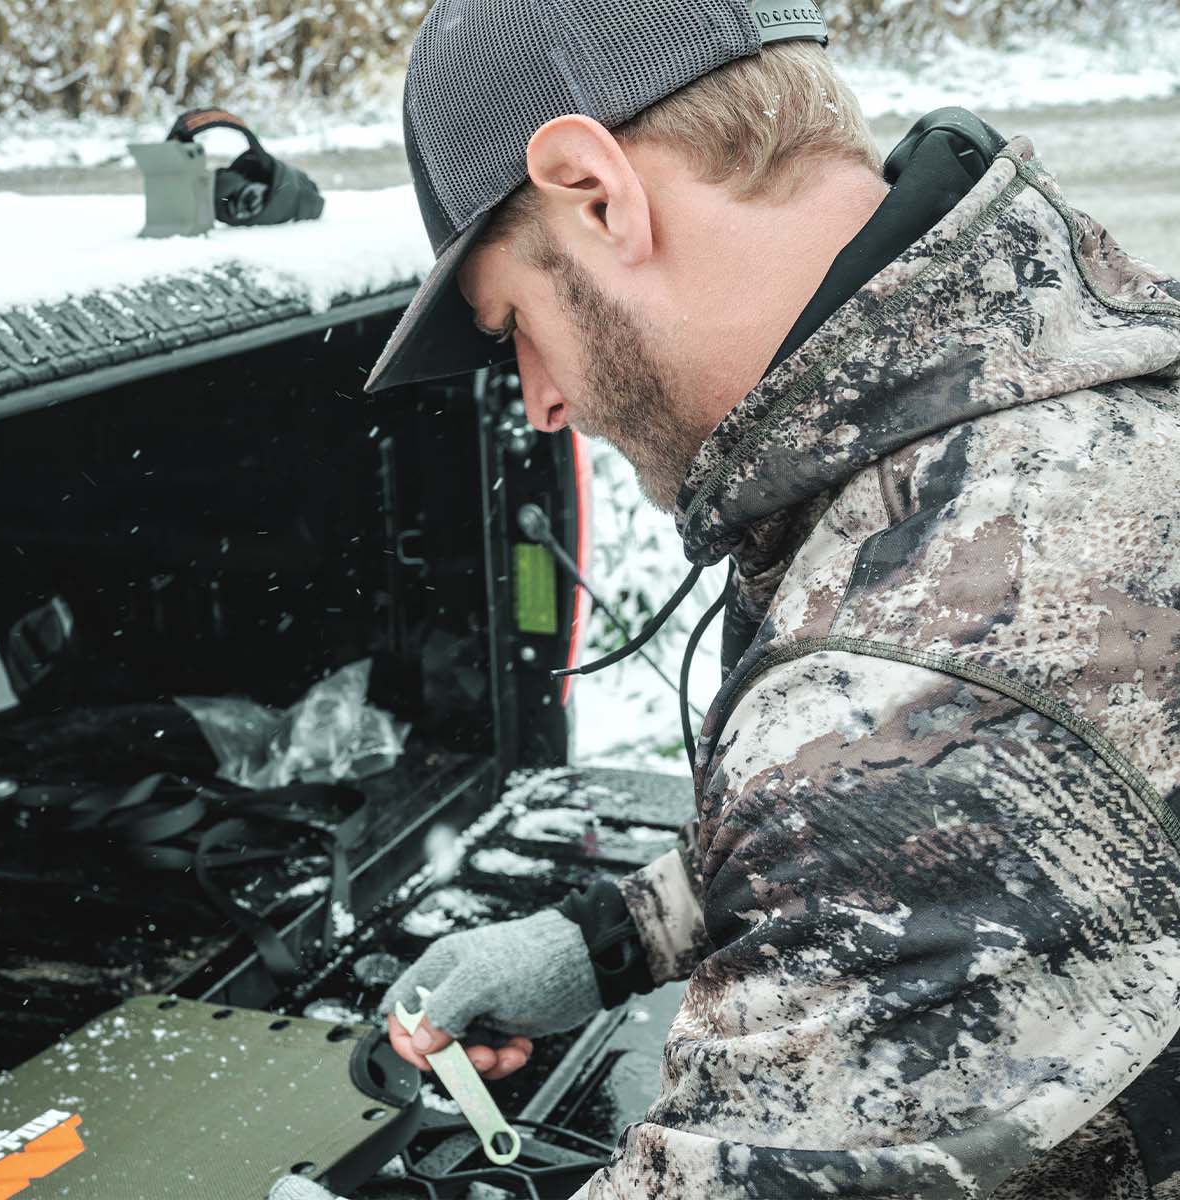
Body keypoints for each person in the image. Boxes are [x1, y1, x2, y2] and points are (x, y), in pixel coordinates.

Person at [272, 0, 1180, 1196]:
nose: (541, 401)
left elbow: (912, 780)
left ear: (597, 191)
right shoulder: (1079, 384)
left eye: (516, 326)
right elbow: (994, 810)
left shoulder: (915, 672)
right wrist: (615, 936)